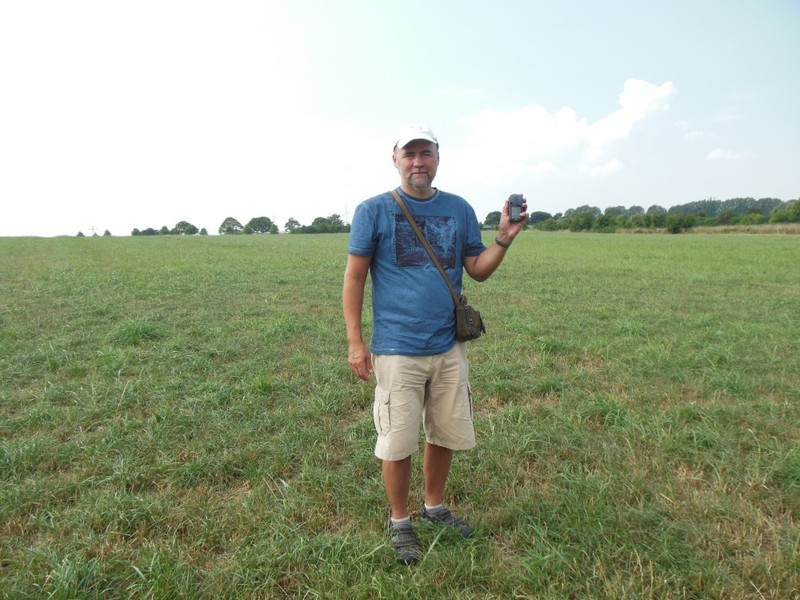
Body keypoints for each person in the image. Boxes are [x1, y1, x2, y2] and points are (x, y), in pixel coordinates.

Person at [342, 125, 527, 565]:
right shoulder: (373, 210)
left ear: (438, 158)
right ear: (395, 160)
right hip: (397, 349)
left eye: (426, 153)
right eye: (409, 155)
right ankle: (401, 521)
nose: (418, 162)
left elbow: (477, 270)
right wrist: (355, 340)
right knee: (398, 439)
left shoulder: (458, 209)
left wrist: (502, 238)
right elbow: (354, 276)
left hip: (448, 347)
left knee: (443, 432)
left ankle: (434, 506)